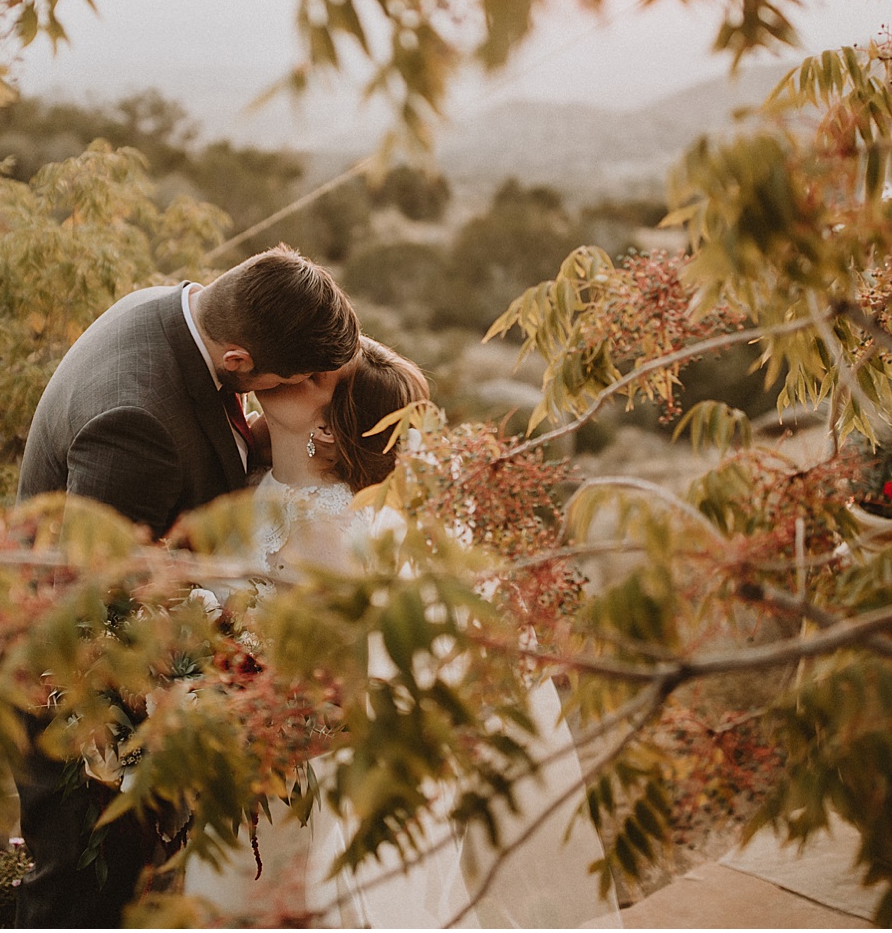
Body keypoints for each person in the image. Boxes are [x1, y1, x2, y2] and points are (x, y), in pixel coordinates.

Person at [189, 337, 622, 928]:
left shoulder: (338, 536)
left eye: (312, 378)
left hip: (290, 786)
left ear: (330, 431)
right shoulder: (257, 479)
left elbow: (352, 696)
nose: (286, 372)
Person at [12, 244, 360, 928]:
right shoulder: (135, 422)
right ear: (238, 361)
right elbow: (106, 606)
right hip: (83, 706)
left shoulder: (170, 309)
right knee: (82, 893)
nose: (298, 388)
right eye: (293, 377)